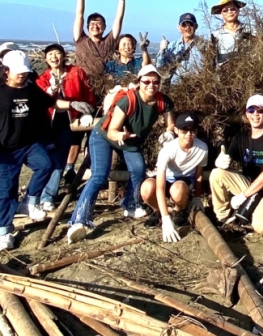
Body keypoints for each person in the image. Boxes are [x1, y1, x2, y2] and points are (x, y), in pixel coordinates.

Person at [0, 51, 95, 251]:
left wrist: (72, 104)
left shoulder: (31, 90)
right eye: (17, 71)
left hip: (27, 145)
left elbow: (52, 102)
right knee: (6, 192)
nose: (21, 75)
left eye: (24, 72)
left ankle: (29, 201)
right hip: (3, 151)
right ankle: (4, 232)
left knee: (47, 163)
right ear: (6, 71)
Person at [67, 65, 173, 243]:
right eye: (146, 81)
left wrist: (169, 132)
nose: (151, 85)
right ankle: (78, 220)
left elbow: (170, 122)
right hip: (104, 136)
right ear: (139, 82)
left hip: (130, 143)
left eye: (155, 81)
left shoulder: (163, 101)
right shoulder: (128, 101)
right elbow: (111, 131)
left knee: (139, 170)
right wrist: (120, 135)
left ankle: (131, 204)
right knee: (99, 176)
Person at [209, 95, 263, 235]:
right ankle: (223, 217)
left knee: (261, 227)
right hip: (249, 185)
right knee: (216, 173)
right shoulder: (240, 138)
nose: (255, 114)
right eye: (251, 110)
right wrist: (221, 160)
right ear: (246, 114)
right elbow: (228, 157)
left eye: (260, 110)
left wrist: (243, 196)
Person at [34, 44, 96, 211]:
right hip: (48, 123)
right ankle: (36, 195)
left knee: (60, 159)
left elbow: (88, 93)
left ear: (63, 56)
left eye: (57, 53)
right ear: (45, 59)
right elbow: (40, 100)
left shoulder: (76, 72)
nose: (54, 57)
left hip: (70, 121)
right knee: (46, 160)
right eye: (50, 54)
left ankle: (48, 196)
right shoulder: (42, 79)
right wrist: (51, 88)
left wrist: (86, 112)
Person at [139, 112, 207, 243]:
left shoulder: (202, 148)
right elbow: (159, 187)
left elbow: (199, 173)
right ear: (176, 130)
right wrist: (165, 219)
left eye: (192, 130)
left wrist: (197, 197)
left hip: (183, 180)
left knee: (178, 190)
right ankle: (159, 212)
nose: (188, 134)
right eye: (184, 130)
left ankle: (178, 211)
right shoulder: (168, 150)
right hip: (166, 178)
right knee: (146, 189)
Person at [73, 0, 130, 77]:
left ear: (104, 27)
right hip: (83, 84)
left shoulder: (109, 41)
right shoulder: (80, 39)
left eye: (99, 24)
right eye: (92, 24)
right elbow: (79, 16)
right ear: (87, 27)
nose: (95, 26)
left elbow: (118, 19)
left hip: (105, 84)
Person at [156, 13, 204, 84]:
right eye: (184, 25)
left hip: (198, 87)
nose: (187, 28)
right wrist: (162, 51)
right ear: (179, 27)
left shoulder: (203, 45)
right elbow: (160, 67)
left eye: (190, 24)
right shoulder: (172, 46)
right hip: (176, 86)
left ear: (196, 26)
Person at [210, 0, 253, 66]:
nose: (229, 12)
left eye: (232, 9)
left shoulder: (250, 30)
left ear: (238, 10)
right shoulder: (215, 35)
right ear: (221, 14)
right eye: (225, 10)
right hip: (226, 74)